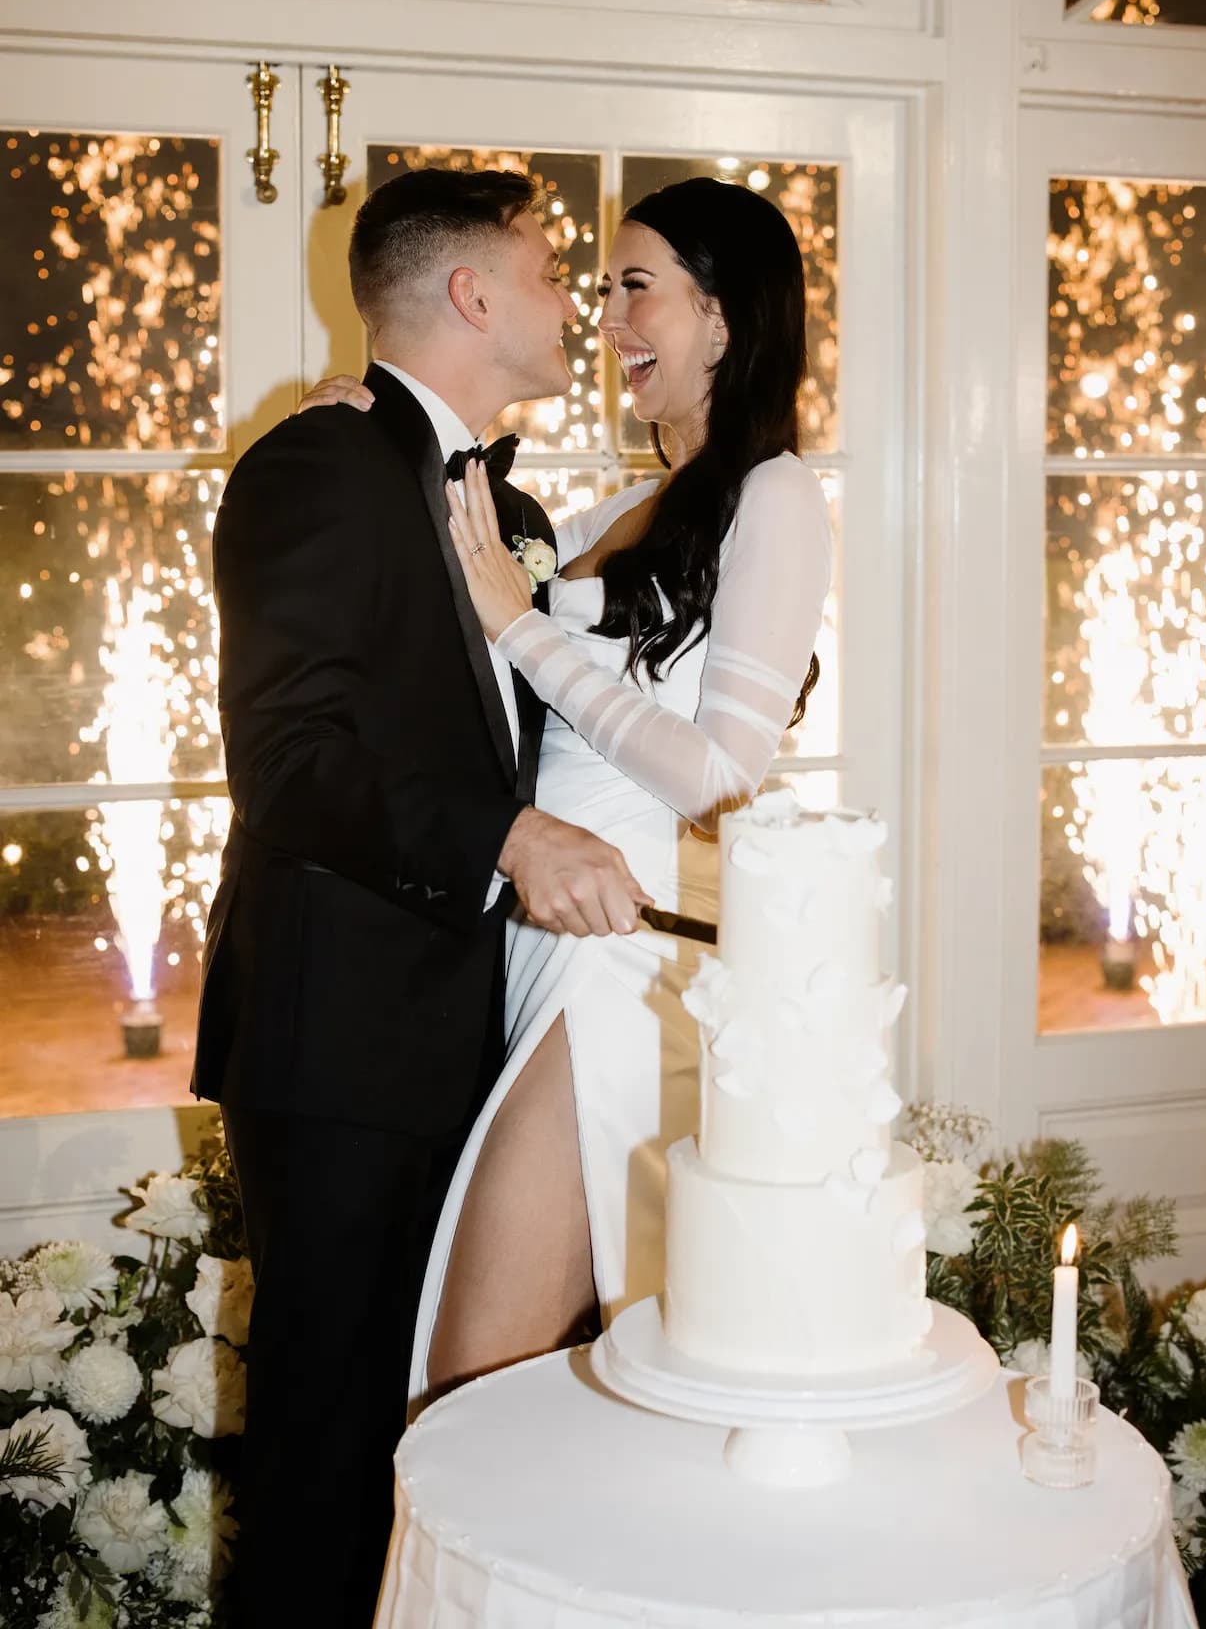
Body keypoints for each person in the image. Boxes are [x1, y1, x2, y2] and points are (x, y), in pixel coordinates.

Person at [192, 167, 650, 1629]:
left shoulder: (498, 499)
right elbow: (290, 760)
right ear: (472, 294)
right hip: (339, 1047)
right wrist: (511, 840)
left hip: (469, 1034)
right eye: (551, 270)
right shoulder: (318, 466)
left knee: (438, 1452)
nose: (574, 300)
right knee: (328, 1459)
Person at [304, 176, 833, 1415]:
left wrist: (520, 627)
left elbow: (721, 771)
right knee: (508, 1375)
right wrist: (364, 420)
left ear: (722, 315)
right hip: (524, 952)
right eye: (596, 288)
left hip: (618, 961)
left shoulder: (779, 496)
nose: (604, 318)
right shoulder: (611, 511)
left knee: (467, 1369)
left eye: (634, 286)